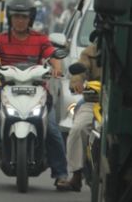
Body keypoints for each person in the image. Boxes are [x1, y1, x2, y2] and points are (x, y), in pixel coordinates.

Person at [0, 0, 68, 186]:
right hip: (7, 90)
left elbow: (53, 56)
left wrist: (57, 68)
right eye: (16, 16)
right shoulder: (1, 39)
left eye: (24, 17)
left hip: (37, 92)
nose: (19, 20)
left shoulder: (40, 39)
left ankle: (60, 174)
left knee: (52, 129)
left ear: (30, 19)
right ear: (10, 18)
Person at [56, 33, 102, 192]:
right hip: (94, 101)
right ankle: (76, 176)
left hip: (125, 105)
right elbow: (79, 71)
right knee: (77, 129)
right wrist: (77, 83)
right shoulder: (91, 52)